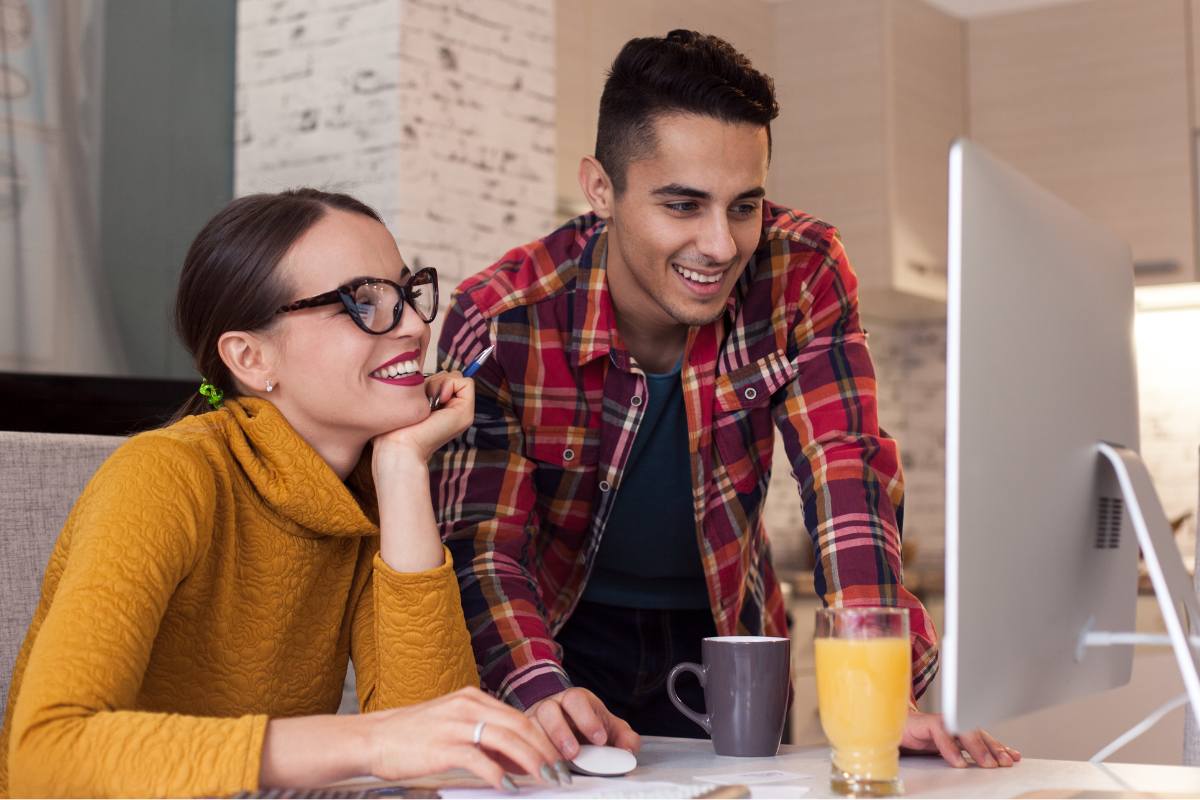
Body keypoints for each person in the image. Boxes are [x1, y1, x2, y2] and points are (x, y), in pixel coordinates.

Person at [431, 31, 1018, 770]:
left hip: (729, 638)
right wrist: (534, 683)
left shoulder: (802, 271)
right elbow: (480, 546)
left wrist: (883, 687)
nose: (719, 244)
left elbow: (847, 474)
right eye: (683, 204)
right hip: (556, 639)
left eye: (744, 206)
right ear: (601, 188)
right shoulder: (501, 317)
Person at [0, 189, 568, 798]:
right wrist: (366, 742)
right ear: (250, 356)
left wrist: (404, 467)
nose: (415, 324)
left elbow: (438, 767)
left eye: (406, 292)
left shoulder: (364, 491)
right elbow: (46, 753)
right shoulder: (163, 474)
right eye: (363, 302)